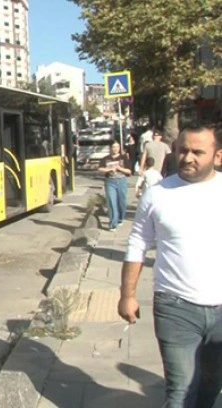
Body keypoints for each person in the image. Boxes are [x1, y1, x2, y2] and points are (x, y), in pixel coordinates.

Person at [118, 123, 222, 408]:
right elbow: (137, 243)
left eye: (198, 152)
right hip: (175, 308)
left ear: (218, 156)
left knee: (213, 383)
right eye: (183, 150)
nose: (187, 158)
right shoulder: (158, 193)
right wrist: (127, 295)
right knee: (181, 390)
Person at [98, 141, 132, 231]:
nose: (116, 149)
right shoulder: (106, 158)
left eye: (117, 147)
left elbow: (129, 171)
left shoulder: (124, 158)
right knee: (111, 202)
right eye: (113, 147)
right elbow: (100, 168)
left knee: (122, 202)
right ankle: (113, 224)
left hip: (121, 181)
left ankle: (120, 218)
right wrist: (109, 169)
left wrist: (119, 168)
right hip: (110, 182)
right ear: (110, 148)